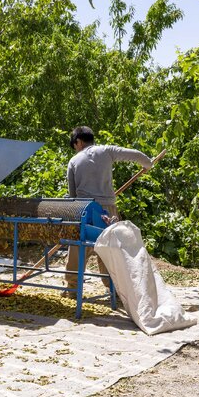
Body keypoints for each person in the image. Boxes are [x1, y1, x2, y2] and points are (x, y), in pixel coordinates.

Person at [63, 125, 152, 298]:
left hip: (85, 209)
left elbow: (73, 195)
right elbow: (136, 155)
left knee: (77, 248)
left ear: (78, 142)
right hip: (108, 210)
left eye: (75, 145)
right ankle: (115, 288)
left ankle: (73, 288)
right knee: (110, 249)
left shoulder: (74, 161)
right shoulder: (107, 151)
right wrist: (147, 164)